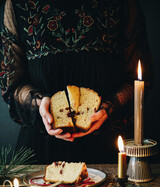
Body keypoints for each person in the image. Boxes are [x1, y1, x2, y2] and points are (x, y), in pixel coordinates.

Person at [0, 0, 153, 164]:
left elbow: (139, 80)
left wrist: (110, 106)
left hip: (111, 152)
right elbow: (12, 84)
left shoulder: (123, 4)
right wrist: (39, 103)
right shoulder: (18, 5)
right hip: (40, 155)